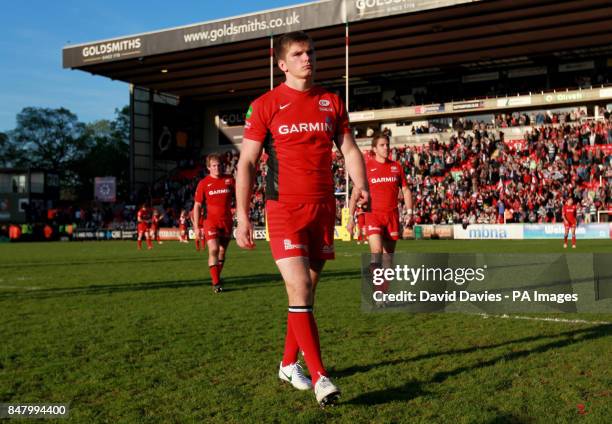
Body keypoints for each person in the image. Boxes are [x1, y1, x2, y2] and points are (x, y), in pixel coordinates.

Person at [235, 31, 368, 407]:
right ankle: (322, 376)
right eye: (298, 54)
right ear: (282, 64)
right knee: (300, 290)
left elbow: (350, 149)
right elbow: (246, 162)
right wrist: (243, 216)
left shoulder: (331, 101)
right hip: (284, 210)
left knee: (305, 294)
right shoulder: (265, 104)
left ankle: (287, 362)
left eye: (310, 52)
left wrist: (362, 185)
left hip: (322, 209)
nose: (307, 59)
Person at [348, 133, 413, 295]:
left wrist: (410, 211)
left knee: (388, 259)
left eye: (387, 144)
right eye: (382, 145)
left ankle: (382, 293)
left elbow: (405, 189)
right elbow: (355, 193)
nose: (386, 148)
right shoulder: (367, 167)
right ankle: (377, 287)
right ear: (374, 149)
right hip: (373, 216)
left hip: (392, 216)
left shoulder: (396, 167)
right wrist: (350, 218)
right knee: (376, 253)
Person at [194, 153, 235, 293]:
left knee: (222, 252)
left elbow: (240, 196)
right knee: (214, 249)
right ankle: (216, 283)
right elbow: (197, 205)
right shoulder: (203, 183)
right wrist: (196, 226)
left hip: (227, 221)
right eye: (214, 166)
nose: (217, 168)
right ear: (208, 168)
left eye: (219, 165)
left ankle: (216, 277)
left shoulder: (230, 180)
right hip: (210, 221)